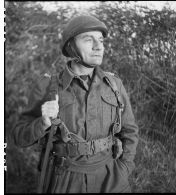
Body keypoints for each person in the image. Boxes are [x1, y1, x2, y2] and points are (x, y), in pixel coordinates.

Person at [11, 15, 139, 193]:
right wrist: (43, 122)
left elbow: (130, 131)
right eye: (89, 40)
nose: (98, 46)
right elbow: (18, 136)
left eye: (101, 40)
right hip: (64, 179)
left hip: (111, 178)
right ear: (71, 46)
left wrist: (125, 168)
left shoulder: (114, 84)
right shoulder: (48, 86)